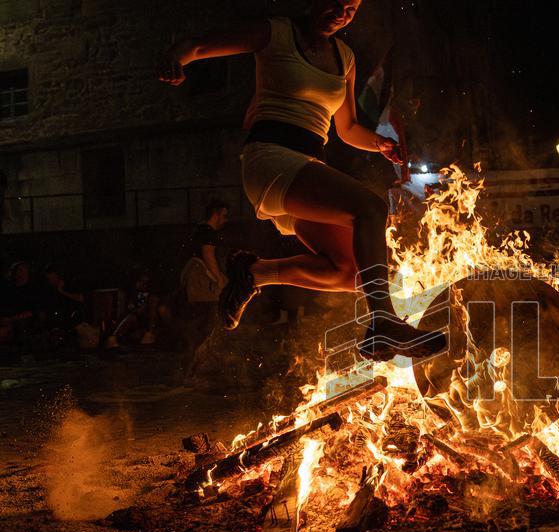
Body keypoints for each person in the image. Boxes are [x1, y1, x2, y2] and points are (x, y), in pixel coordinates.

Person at [158, 0, 445, 361]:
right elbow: (199, 44)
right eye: (336, 2)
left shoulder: (346, 58)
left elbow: (347, 128)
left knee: (353, 275)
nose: (342, 12)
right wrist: (176, 57)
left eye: (352, 8)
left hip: (308, 165)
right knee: (370, 209)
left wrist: (381, 144)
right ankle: (384, 322)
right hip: (271, 158)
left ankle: (256, 273)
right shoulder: (276, 33)